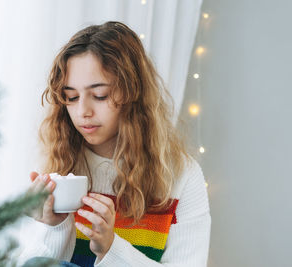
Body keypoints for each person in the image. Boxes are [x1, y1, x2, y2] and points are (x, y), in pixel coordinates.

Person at [19, 21, 211, 267]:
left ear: (133, 93)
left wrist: (112, 250)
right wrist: (54, 227)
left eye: (100, 95)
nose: (82, 111)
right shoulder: (56, 164)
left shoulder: (182, 175)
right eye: (71, 97)